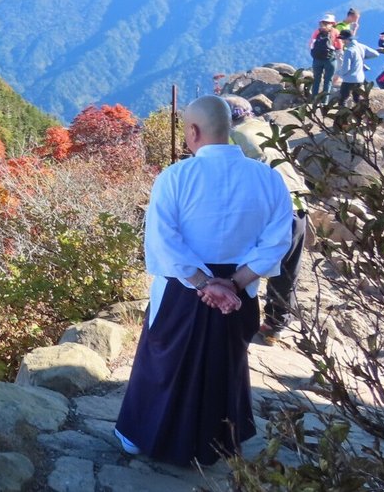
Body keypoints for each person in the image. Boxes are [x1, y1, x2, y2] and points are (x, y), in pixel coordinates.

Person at [114, 95, 292, 467]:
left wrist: (203, 283)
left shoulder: (176, 177)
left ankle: (142, 434)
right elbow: (278, 242)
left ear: (193, 131)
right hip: (239, 294)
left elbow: (164, 240)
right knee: (225, 366)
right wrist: (234, 284)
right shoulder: (268, 178)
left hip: (182, 294)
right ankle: (218, 442)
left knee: (163, 363)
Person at [224, 96, 308, 341]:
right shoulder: (271, 129)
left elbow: (229, 173)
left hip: (268, 207)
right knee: (288, 270)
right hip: (298, 203)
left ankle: (233, 317)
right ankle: (275, 324)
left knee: (244, 262)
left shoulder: (233, 136)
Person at [337, 28, 380, 107]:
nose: (342, 41)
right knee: (357, 98)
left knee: (343, 99)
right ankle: (362, 112)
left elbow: (346, 68)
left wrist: (339, 73)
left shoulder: (349, 51)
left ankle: (343, 113)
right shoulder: (361, 47)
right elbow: (376, 54)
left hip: (349, 80)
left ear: (346, 39)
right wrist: (362, 57)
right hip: (360, 79)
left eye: (342, 39)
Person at [309, 15, 339, 100]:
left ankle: (313, 100)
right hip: (330, 59)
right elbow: (339, 46)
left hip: (317, 59)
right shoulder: (335, 32)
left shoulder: (317, 32)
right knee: (328, 80)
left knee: (316, 80)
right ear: (332, 23)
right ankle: (324, 101)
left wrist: (314, 55)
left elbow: (311, 44)